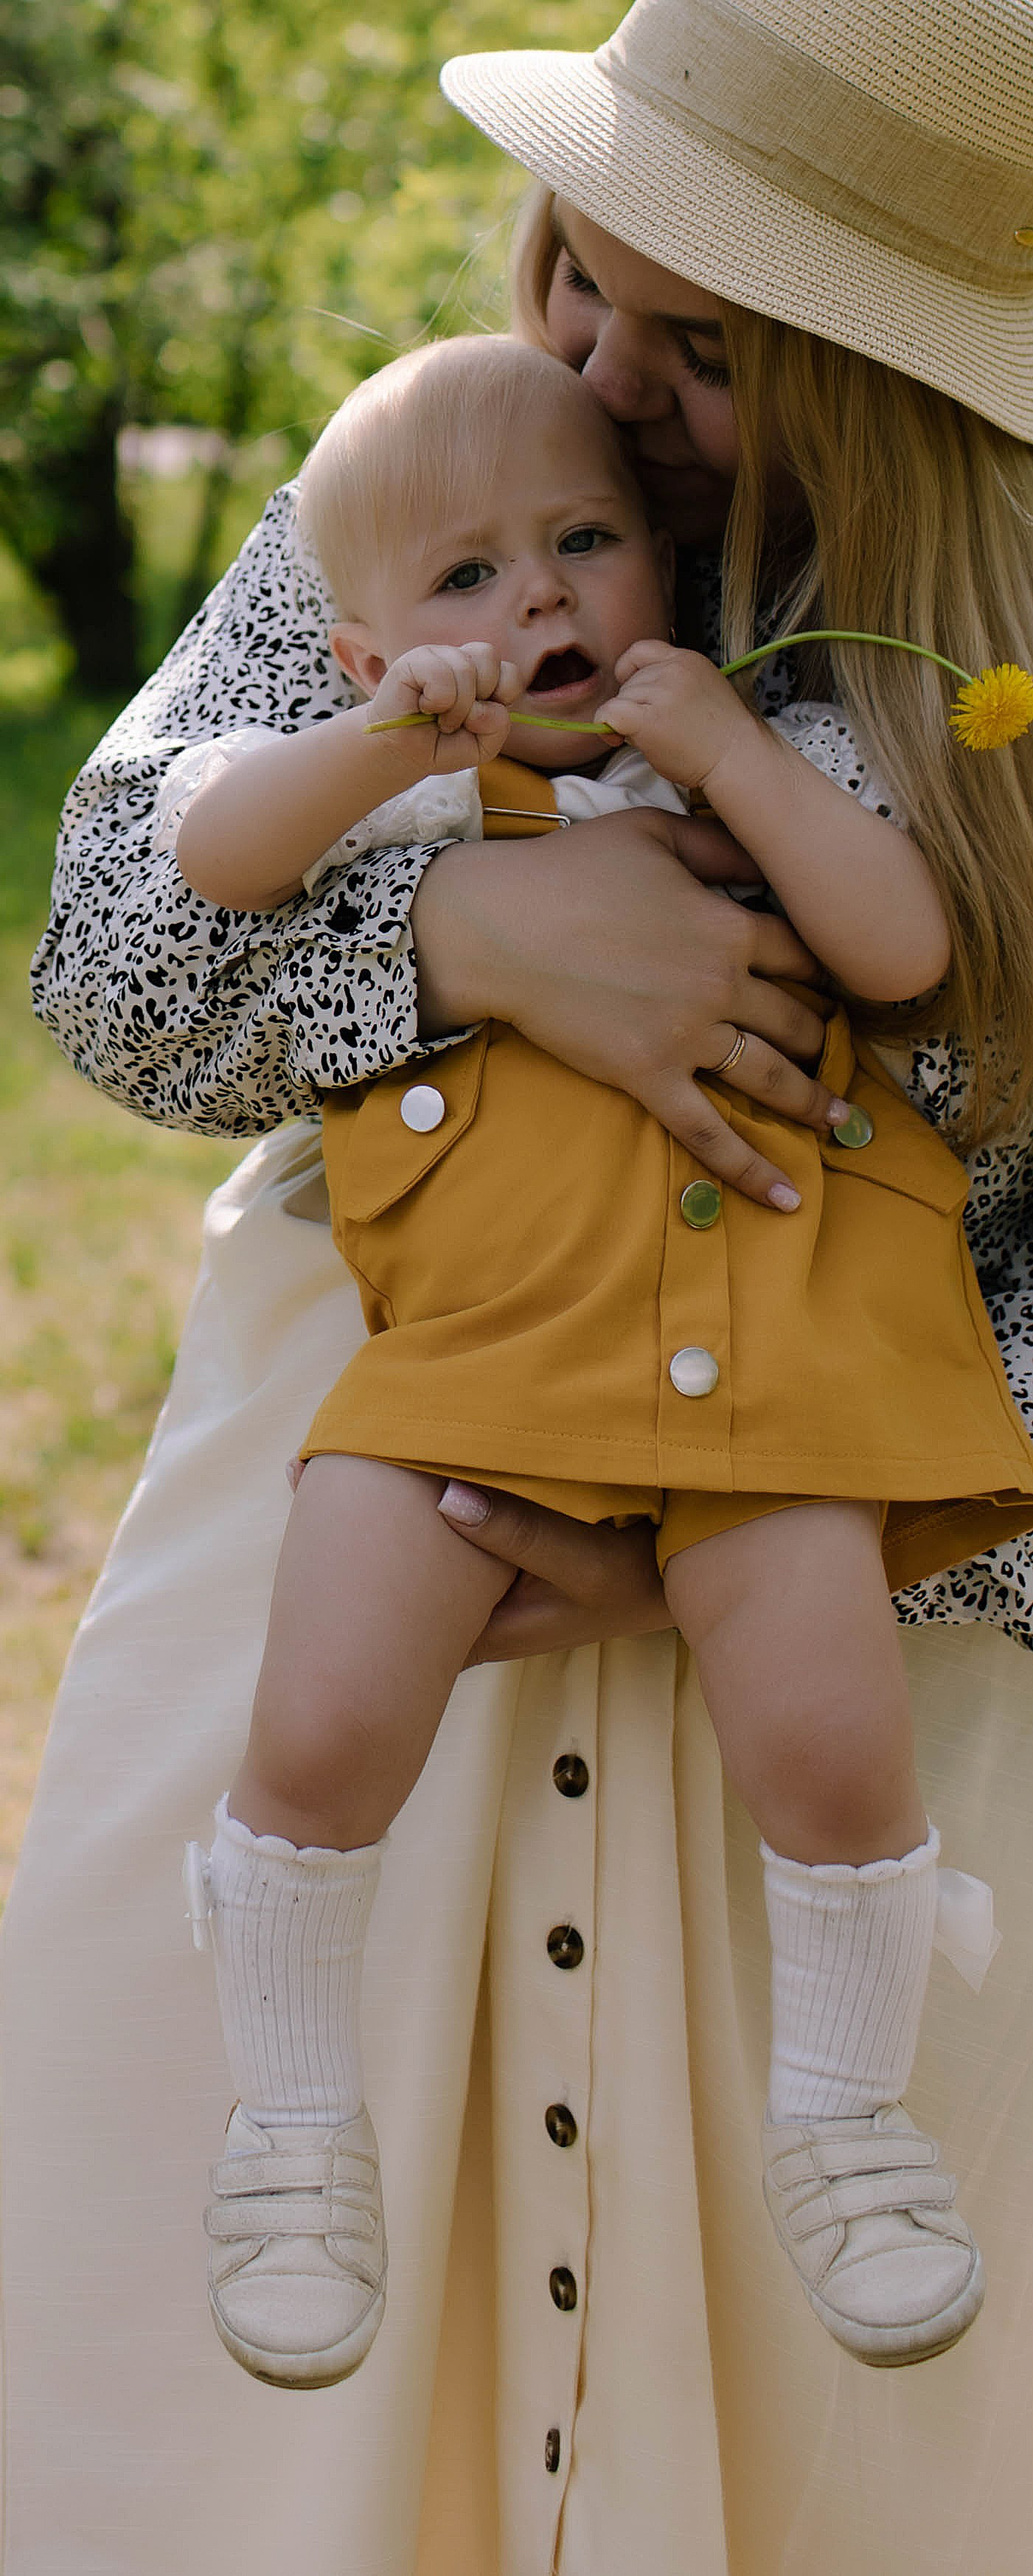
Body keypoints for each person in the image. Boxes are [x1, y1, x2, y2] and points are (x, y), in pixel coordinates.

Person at [0, 3, 1033, 2567]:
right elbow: (110, 950)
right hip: (380, 1533)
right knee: (249, 2377)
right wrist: (465, 925)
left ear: (885, 371)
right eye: (577, 277)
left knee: (832, 2400)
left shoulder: (989, 674)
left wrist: (784, 1532)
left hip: (842, 1657)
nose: (602, 385)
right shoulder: (441, 474)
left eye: (707, 345)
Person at [166, 330, 1033, 2387]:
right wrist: (386, 746)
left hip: (773, 1375)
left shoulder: (784, 754)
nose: (535, 603)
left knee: (828, 1754)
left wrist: (730, 755)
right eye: (463, 582)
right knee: (318, 1723)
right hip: (477, 1361)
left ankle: (845, 2119)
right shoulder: (390, 809)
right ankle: (290, 2126)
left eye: (578, 546)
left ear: (666, 559)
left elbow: (899, 951)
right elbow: (200, 865)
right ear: (361, 631)